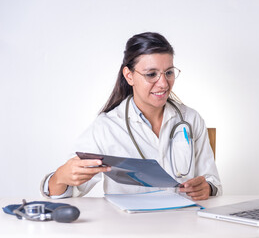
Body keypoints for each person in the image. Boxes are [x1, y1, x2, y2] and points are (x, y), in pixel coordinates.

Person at [40, 32, 222, 200]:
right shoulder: (107, 127)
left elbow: (213, 183)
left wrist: (208, 187)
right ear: (129, 76)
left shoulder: (190, 119)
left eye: (169, 73)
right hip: (130, 227)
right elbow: (68, 192)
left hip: (185, 226)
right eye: (151, 74)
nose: (164, 83)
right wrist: (60, 177)